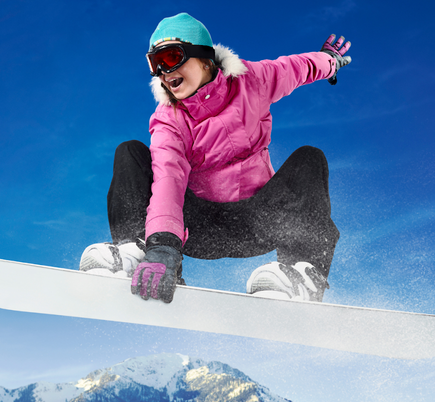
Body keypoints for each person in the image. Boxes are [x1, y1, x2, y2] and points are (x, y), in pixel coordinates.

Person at [79, 12, 352, 304]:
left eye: (170, 58)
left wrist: (330, 61)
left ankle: (302, 274)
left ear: (205, 57)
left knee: (309, 158)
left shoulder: (253, 80)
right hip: (194, 229)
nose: (163, 71)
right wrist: (163, 245)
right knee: (130, 152)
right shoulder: (170, 120)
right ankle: (139, 253)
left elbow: (298, 68)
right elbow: (169, 179)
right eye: (155, 64)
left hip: (260, 221)